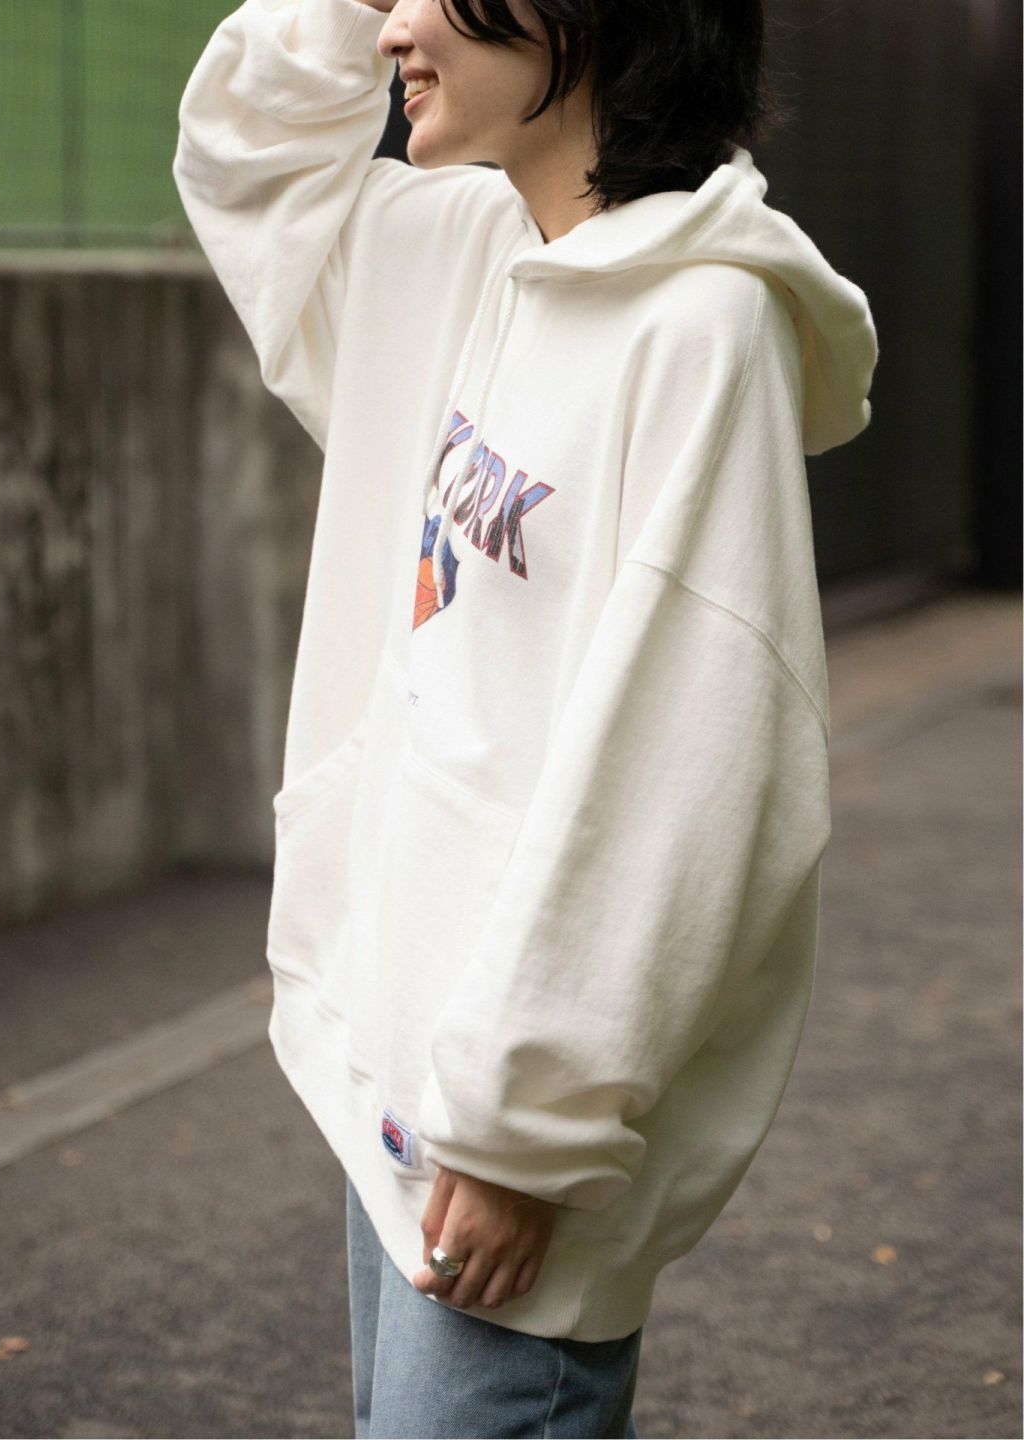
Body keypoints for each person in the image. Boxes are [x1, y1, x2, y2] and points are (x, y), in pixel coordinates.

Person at [172, 0, 878, 1434]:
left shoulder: (703, 326)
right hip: (403, 1081)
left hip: (508, 1157)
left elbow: (693, 769)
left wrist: (526, 1134)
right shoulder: (469, 248)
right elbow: (245, 152)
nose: (392, 31)